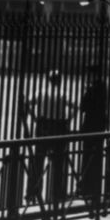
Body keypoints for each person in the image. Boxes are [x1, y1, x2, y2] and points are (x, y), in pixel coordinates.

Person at [22, 68, 75, 203]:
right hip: (58, 127)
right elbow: (75, 106)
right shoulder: (64, 94)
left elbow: (27, 103)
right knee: (58, 163)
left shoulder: (40, 92)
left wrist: (35, 118)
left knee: (38, 161)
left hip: (43, 126)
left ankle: (32, 192)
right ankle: (57, 194)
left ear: (49, 80)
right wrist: (68, 119)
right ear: (60, 81)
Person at [77, 66, 107, 199]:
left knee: (87, 156)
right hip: (100, 125)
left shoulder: (92, 89)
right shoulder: (103, 87)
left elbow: (83, 106)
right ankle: (94, 187)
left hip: (90, 126)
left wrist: (85, 91)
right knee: (96, 157)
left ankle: (86, 188)